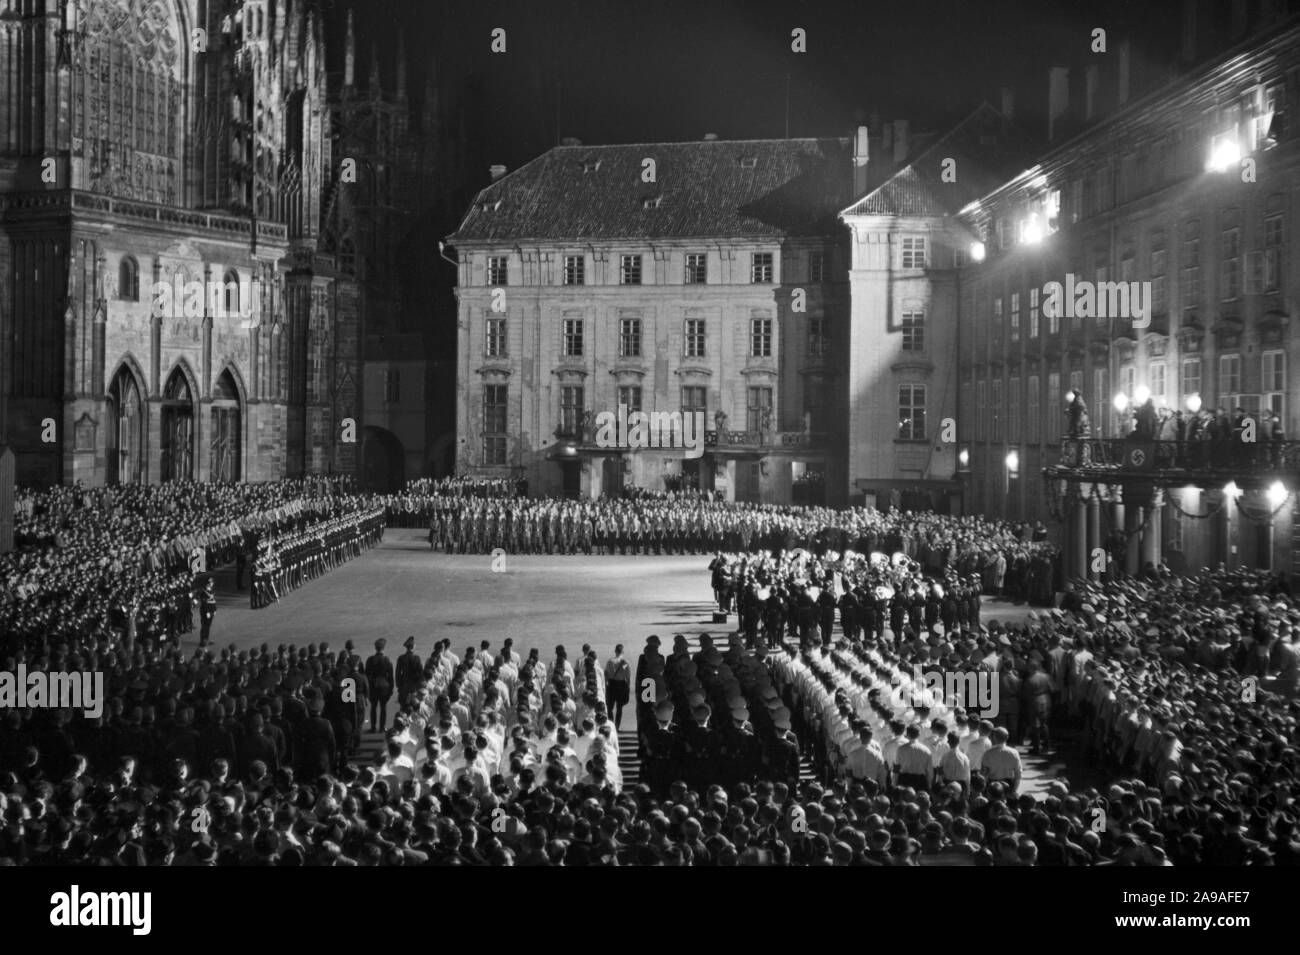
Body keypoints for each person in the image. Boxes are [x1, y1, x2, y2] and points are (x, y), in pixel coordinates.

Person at [365, 638, 395, 733]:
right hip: (384, 687)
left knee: (373, 707)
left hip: (373, 687)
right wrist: (391, 689)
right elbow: (390, 676)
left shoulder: (370, 660)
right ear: (383, 648)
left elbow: (366, 675)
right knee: (383, 708)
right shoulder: (386, 660)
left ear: (375, 648)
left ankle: (373, 727)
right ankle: (382, 728)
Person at [604, 644, 631, 730]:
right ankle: (617, 726)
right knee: (619, 707)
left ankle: (611, 725)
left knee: (610, 707)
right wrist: (628, 687)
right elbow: (628, 676)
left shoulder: (610, 661)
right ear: (622, 652)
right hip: (621, 685)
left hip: (612, 684)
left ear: (615, 651)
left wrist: (606, 684)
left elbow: (606, 674)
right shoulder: (625, 662)